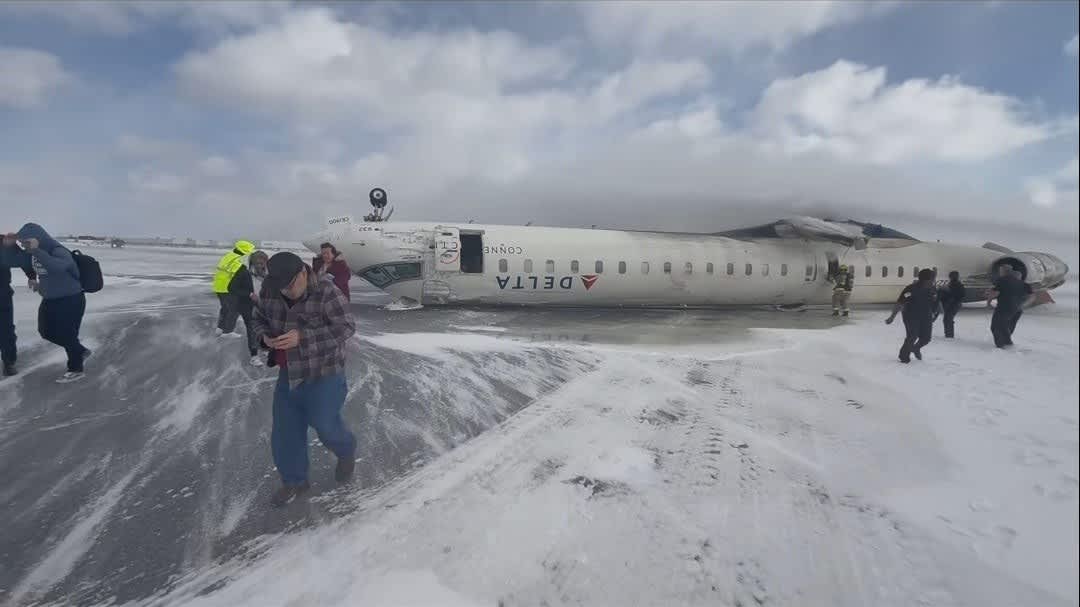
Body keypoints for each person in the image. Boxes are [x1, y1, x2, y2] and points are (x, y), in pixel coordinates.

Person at [253, 252, 358, 507]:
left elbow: (345, 327)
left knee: (325, 425)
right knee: (285, 432)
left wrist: (303, 338)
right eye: (281, 288)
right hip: (289, 375)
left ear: (302, 273)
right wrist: (264, 338)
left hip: (324, 374)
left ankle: (346, 451)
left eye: (290, 285)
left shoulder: (326, 291)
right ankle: (294, 481)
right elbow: (257, 320)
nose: (286, 292)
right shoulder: (270, 290)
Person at [2, 224, 91, 382]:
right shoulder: (32, 254)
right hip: (50, 299)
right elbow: (10, 261)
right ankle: (80, 350)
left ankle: (76, 368)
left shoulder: (58, 250)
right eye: (22, 243)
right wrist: (8, 246)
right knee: (46, 332)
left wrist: (36, 250)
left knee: (67, 333)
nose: (23, 245)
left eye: (25, 242)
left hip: (70, 298)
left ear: (37, 239)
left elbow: (57, 267)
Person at [1, 238, 37, 377]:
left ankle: (8, 362)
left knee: (5, 330)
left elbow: (22, 258)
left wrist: (32, 276)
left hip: (1, 293)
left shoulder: (3, 241)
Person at [886, 268, 937, 363]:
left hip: (926, 316)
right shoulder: (910, 289)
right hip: (911, 316)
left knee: (926, 338)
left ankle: (916, 348)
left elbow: (933, 302)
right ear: (926, 280)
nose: (934, 281)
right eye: (932, 279)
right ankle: (904, 356)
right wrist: (892, 317)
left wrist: (934, 314)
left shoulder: (932, 289)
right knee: (912, 336)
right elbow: (900, 303)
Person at [212, 240, 256, 336]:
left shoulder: (229, 256)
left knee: (225, 309)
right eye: (249, 251)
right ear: (245, 251)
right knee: (234, 310)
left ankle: (220, 328)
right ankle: (228, 332)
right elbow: (241, 276)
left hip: (219, 287)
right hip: (228, 289)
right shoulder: (238, 262)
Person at [226, 257, 264, 367]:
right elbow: (231, 288)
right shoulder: (243, 272)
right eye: (258, 263)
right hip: (247, 305)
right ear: (252, 263)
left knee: (263, 326)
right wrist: (249, 294)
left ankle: (264, 347)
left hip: (262, 305)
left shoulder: (265, 273)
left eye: (263, 263)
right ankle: (254, 356)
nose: (261, 266)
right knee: (252, 328)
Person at [985, 265, 1031, 348]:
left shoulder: (1002, 280)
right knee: (1006, 326)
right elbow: (1032, 296)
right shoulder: (1023, 283)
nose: (999, 272)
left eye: (1000, 271)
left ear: (1003, 271)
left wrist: (988, 302)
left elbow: (995, 293)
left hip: (1003, 308)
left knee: (996, 327)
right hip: (1017, 309)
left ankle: (1000, 345)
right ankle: (1008, 342)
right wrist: (1023, 304)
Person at [938, 271, 966, 339]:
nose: (951, 277)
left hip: (954, 304)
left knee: (948, 318)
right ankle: (948, 334)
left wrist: (946, 290)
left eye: (952, 276)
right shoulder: (952, 283)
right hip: (952, 304)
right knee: (948, 318)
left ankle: (949, 335)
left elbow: (957, 294)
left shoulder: (957, 284)